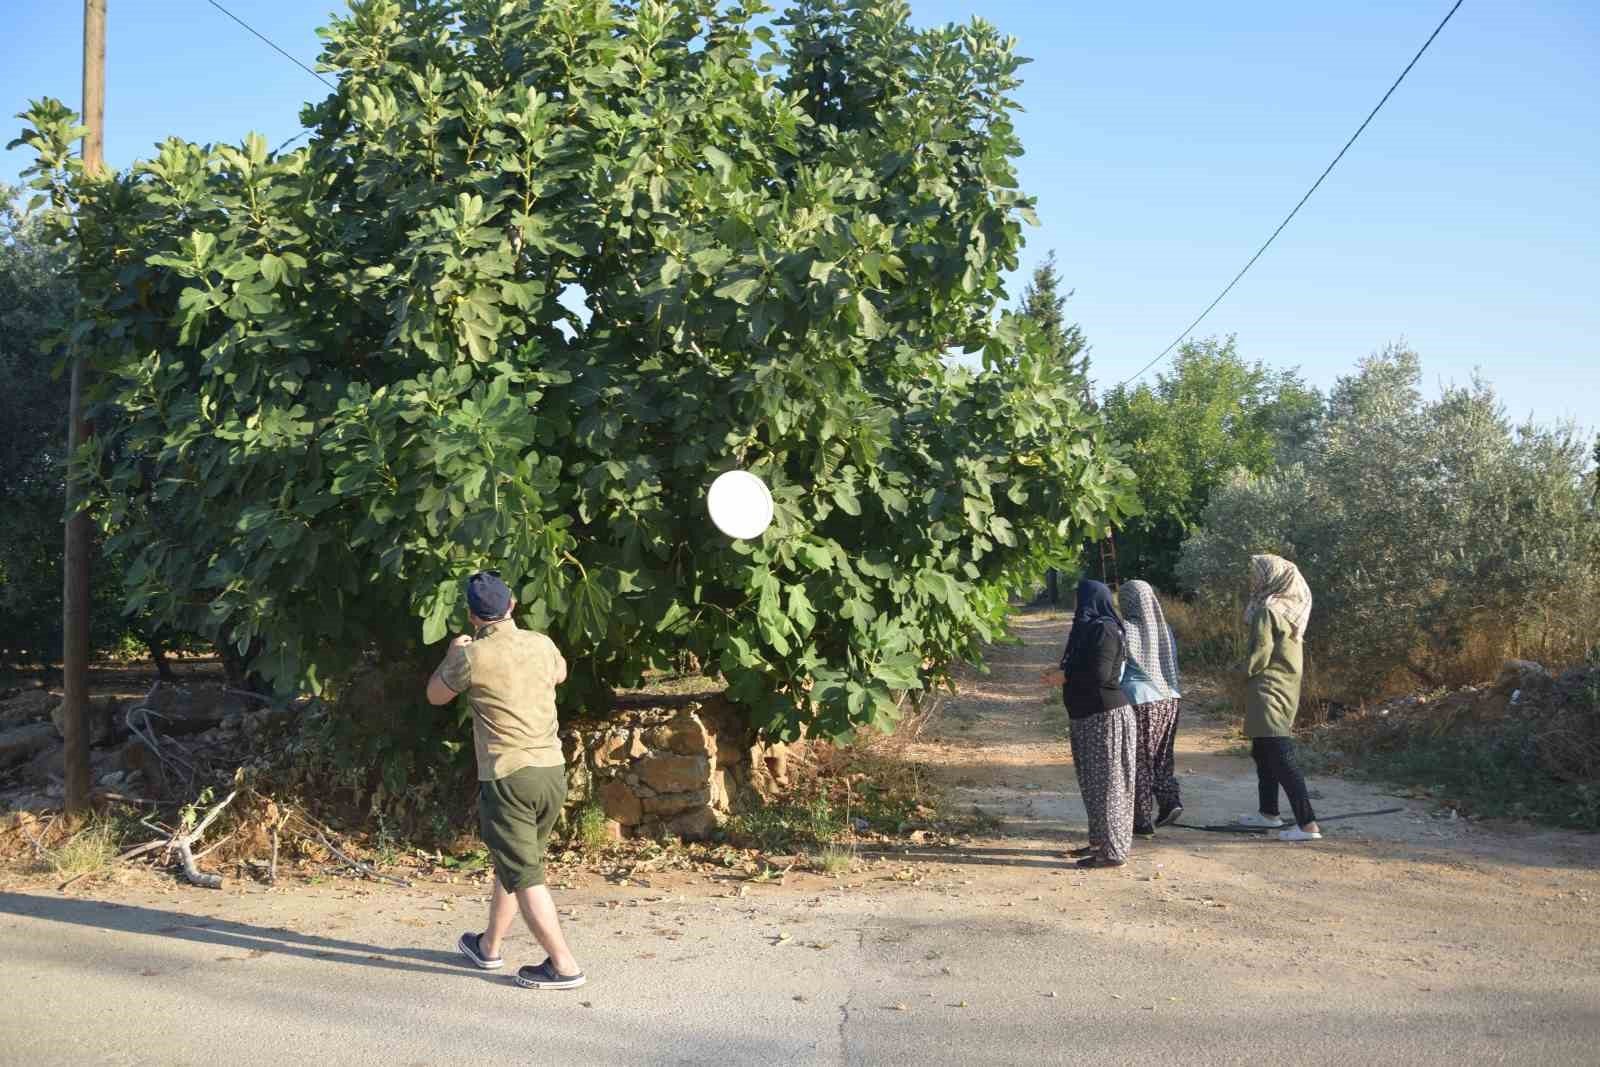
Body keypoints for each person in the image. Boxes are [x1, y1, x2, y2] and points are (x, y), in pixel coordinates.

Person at [426, 570, 586, 988]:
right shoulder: (542, 644)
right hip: (551, 771)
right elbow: (561, 674)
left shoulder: (470, 657)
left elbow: (435, 696)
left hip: (507, 778)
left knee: (526, 875)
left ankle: (563, 965)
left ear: (472, 616)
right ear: (512, 605)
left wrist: (451, 653)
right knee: (515, 863)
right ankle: (488, 947)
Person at [1040, 578, 1136, 869]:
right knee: (1093, 785)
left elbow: (1100, 674)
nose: (1075, 605)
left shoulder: (1104, 629)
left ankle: (1113, 852)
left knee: (1109, 786)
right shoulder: (1089, 630)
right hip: (1088, 716)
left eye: (1078, 599)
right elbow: (1084, 664)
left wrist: (1065, 677)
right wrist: (1062, 671)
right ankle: (1099, 842)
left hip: (1104, 718)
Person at [1236, 554, 1322, 842]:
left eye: (1257, 573)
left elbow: (1259, 654)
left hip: (1268, 689)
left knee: (1279, 753)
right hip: (1284, 687)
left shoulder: (1268, 610)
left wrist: (1240, 673)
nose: (1253, 579)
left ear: (1270, 577)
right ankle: (1269, 814)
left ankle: (1307, 824)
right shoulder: (1291, 608)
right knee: (1263, 752)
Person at [1118, 580, 1183, 835]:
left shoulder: (1127, 628)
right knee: (1163, 756)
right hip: (1170, 697)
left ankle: (1141, 820)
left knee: (1139, 759)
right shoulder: (1164, 628)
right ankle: (1170, 802)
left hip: (1141, 699)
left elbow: (1120, 668)